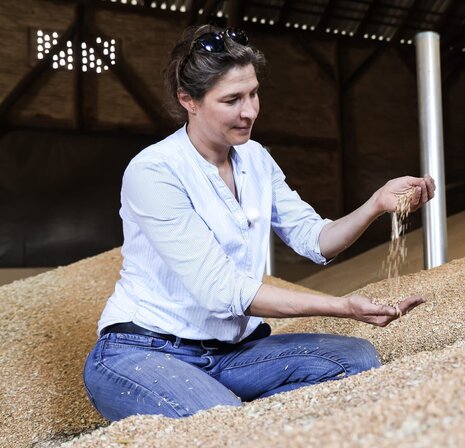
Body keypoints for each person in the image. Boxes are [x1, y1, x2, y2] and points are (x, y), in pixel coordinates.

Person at [83, 25, 435, 421]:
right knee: (223, 424)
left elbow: (314, 239)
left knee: (356, 359)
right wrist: (344, 307)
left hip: (232, 353)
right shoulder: (154, 171)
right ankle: (227, 412)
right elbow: (222, 291)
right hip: (144, 351)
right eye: (232, 99)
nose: (250, 110)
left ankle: (235, 410)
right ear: (189, 100)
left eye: (253, 93)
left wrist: (375, 204)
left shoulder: (255, 159)